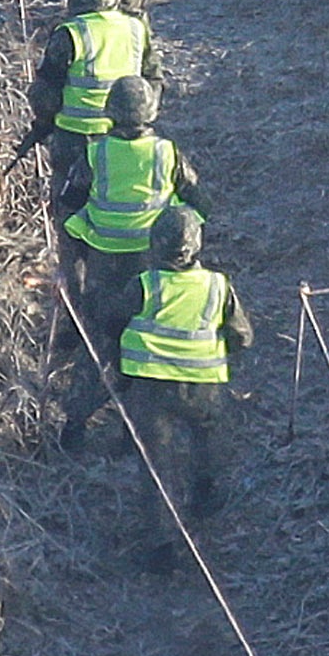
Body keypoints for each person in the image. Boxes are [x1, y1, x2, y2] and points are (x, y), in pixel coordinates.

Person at [106, 207, 254, 564]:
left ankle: (161, 548)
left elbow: (112, 322)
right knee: (208, 437)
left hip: (151, 387)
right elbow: (243, 337)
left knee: (156, 464)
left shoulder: (145, 284)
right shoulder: (219, 286)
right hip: (203, 385)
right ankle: (205, 497)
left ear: (156, 244)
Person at [54, 77, 206, 410]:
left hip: (104, 262)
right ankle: (135, 417)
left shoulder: (96, 154)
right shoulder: (167, 153)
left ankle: (76, 420)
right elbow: (197, 202)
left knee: (98, 338)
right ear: (151, 109)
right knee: (147, 334)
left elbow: (69, 202)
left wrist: (77, 250)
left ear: (110, 111)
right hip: (154, 262)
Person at [14, 0, 162, 193]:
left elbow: (45, 95)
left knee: (71, 213)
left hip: (74, 140)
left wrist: (43, 124)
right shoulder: (136, 29)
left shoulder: (70, 33)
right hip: (122, 142)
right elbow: (153, 81)